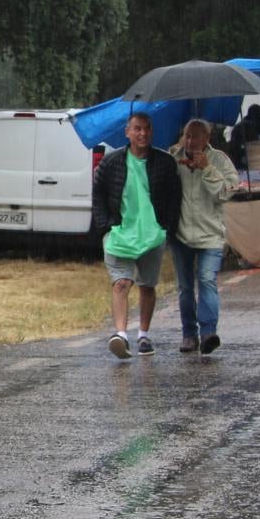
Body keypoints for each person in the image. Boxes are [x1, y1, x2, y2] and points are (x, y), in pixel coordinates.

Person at [91, 112, 181, 359]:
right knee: (121, 282)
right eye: (137, 129)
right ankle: (120, 335)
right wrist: (106, 227)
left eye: (147, 129)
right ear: (127, 132)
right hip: (120, 233)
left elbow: (174, 197)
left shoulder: (164, 162)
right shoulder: (111, 163)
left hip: (152, 235)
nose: (142, 134)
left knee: (147, 285)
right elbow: (97, 194)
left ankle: (143, 334)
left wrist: (166, 228)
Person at [168, 118, 239, 355]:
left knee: (207, 280)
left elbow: (224, 194)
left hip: (210, 234)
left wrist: (206, 169)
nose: (190, 141)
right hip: (181, 233)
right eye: (187, 135)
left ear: (206, 139)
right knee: (185, 287)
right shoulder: (174, 158)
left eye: (195, 136)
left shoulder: (219, 160)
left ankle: (208, 332)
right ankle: (189, 334)